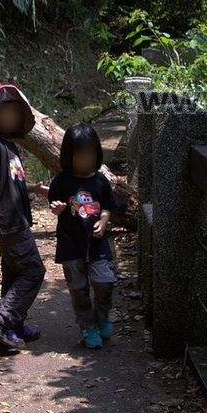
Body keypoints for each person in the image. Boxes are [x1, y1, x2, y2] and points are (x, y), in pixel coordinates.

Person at [0, 83, 49, 350]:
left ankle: (13, 327)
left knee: (13, 275)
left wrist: (34, 188)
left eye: (14, 113)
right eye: (4, 112)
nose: (10, 117)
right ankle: (0, 320)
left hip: (18, 219)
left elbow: (8, 183)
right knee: (33, 271)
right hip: (8, 222)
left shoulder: (11, 148)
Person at [47, 122, 124, 349]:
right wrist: (57, 209)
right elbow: (54, 203)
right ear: (68, 155)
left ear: (97, 153)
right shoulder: (61, 181)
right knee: (78, 289)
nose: (85, 159)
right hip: (70, 245)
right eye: (79, 154)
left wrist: (103, 220)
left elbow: (108, 207)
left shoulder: (100, 181)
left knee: (105, 283)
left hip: (97, 244)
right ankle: (88, 326)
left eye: (89, 153)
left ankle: (102, 316)